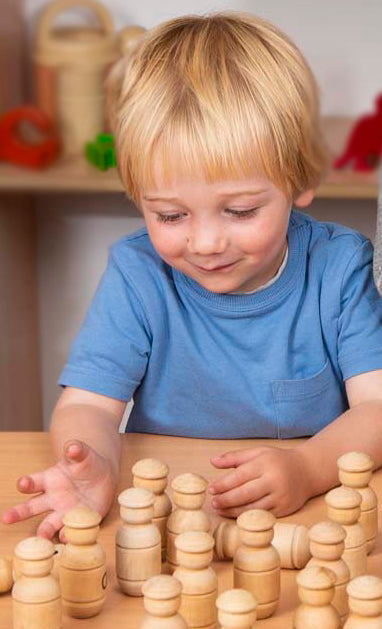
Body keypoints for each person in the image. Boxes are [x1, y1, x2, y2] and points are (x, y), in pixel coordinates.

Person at [4, 12, 382, 540]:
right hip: (173, 522)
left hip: (308, 518)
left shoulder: (340, 267)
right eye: (171, 216)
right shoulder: (138, 273)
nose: (205, 244)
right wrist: (93, 466)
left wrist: (309, 467)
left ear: (302, 179)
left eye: (241, 211)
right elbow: (88, 403)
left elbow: (379, 407)